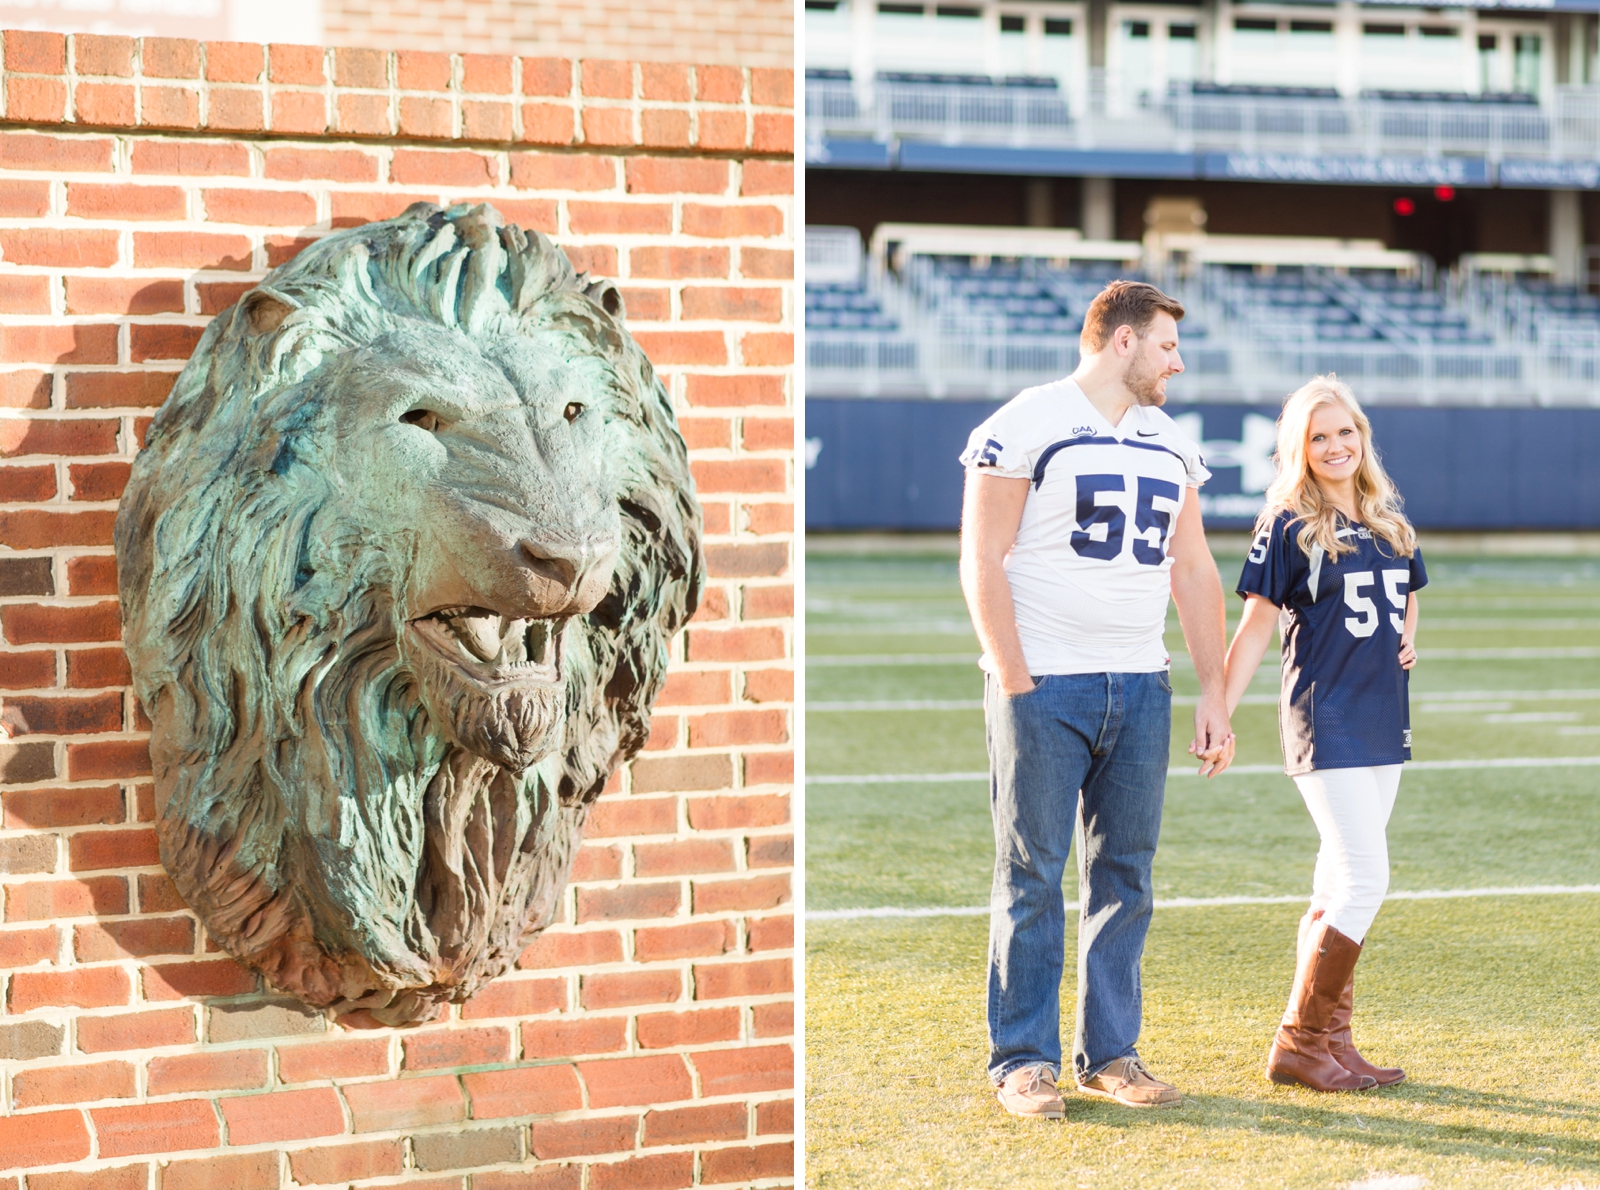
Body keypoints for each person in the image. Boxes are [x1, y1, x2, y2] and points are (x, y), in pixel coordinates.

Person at [958, 280, 1235, 1121]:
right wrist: (1013, 675)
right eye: (1166, 345)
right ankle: (1024, 1061)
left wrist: (1212, 692)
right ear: (1121, 341)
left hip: (1139, 684)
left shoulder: (1167, 438)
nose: (1176, 363)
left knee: (1126, 877)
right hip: (1046, 682)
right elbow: (983, 556)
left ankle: (1111, 1053)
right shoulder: (1028, 420)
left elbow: (1192, 570)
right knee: (1033, 874)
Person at [1222, 374, 1423, 1093]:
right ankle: (1301, 1041)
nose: (1335, 447)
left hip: (1381, 716)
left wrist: (1407, 636)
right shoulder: (1288, 524)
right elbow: (1252, 630)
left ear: (1362, 436)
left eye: (1345, 432)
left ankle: (1331, 1040)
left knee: (1336, 879)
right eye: (1319, 436)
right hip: (1325, 716)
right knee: (1367, 875)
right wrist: (1218, 706)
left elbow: (1406, 597)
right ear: (1297, 449)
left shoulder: (1388, 521)